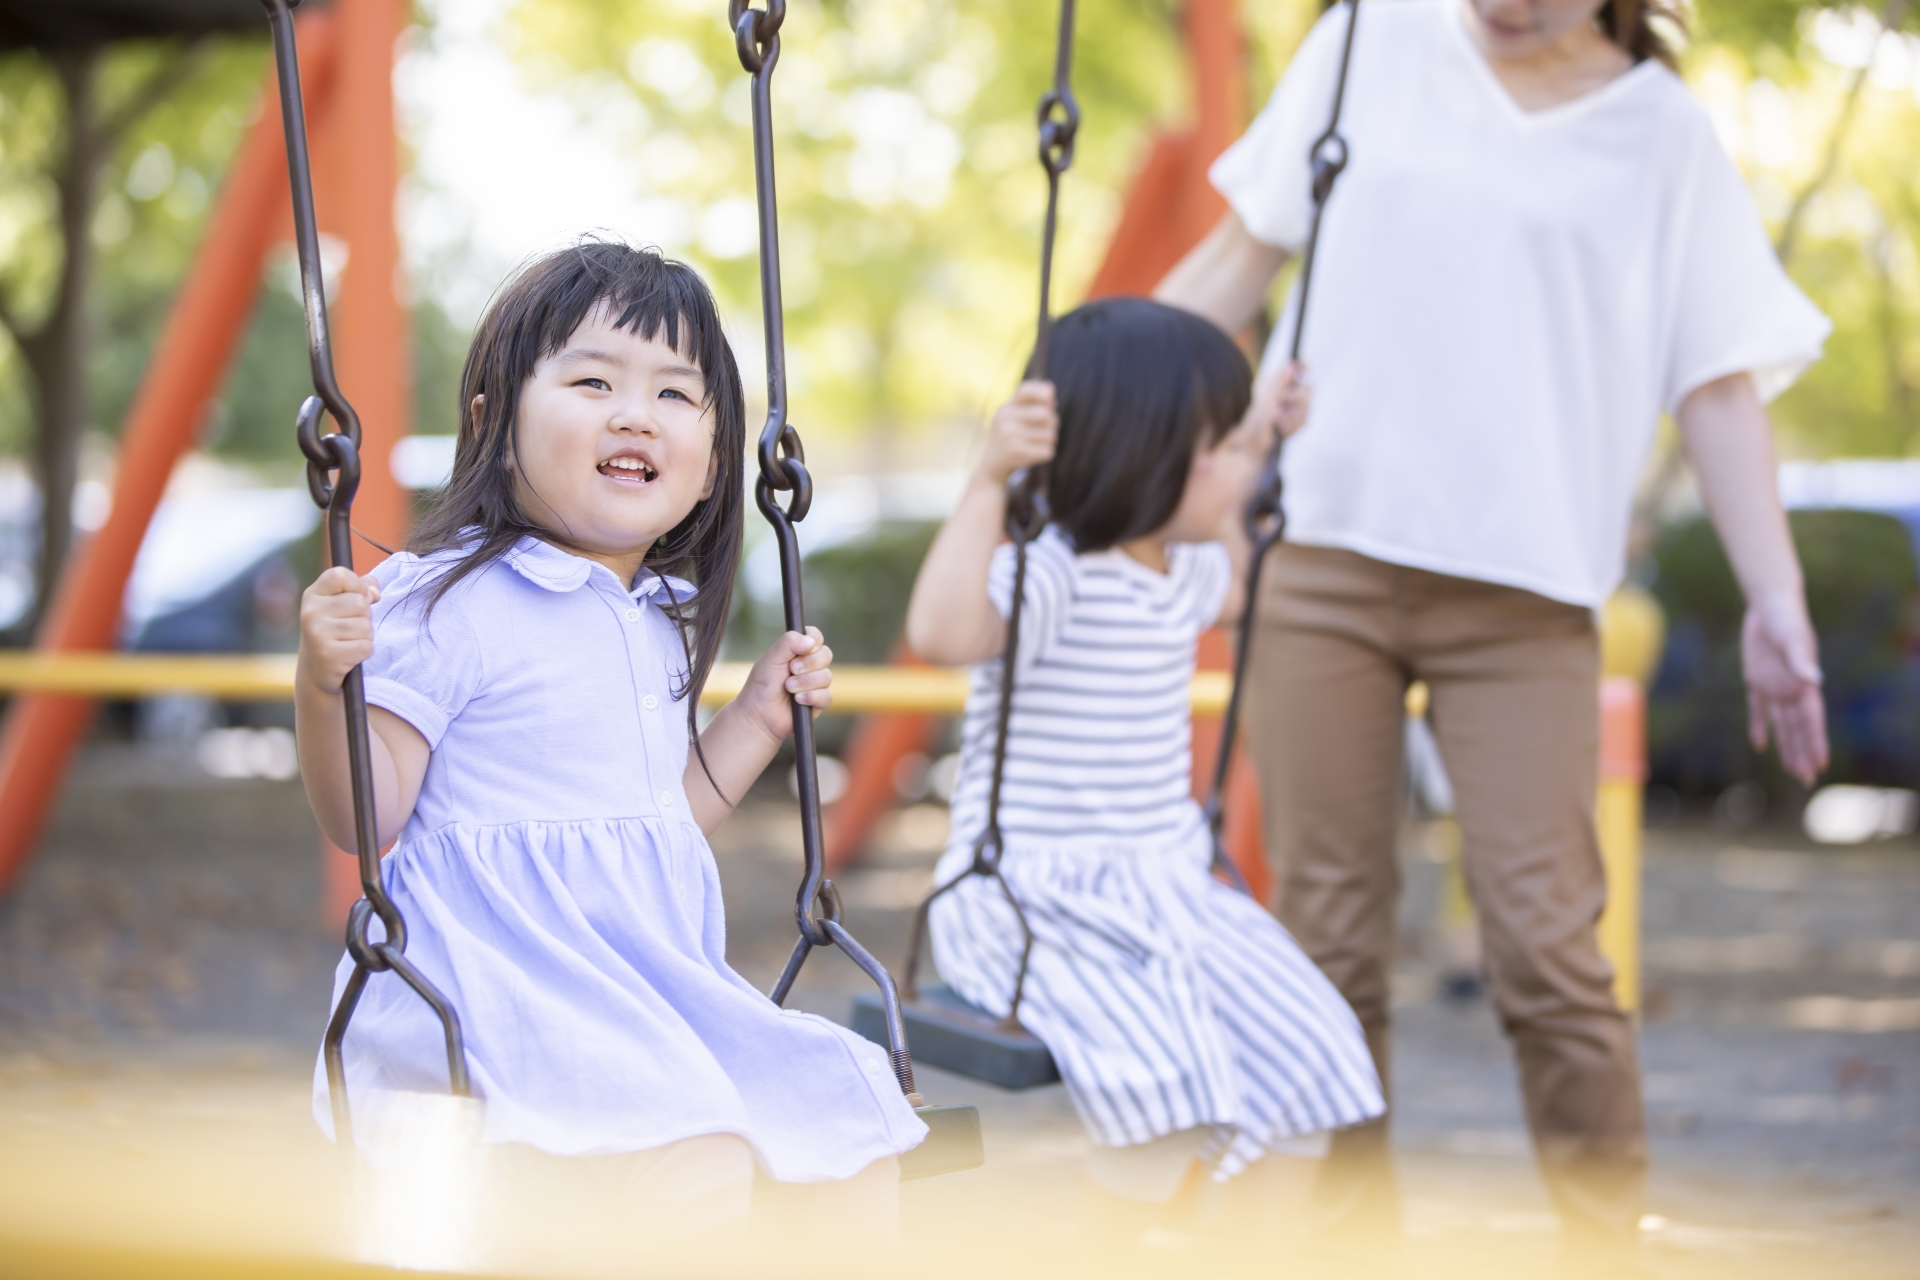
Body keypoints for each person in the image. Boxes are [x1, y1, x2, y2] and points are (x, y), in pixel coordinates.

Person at [1154, 0, 1832, 1268]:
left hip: (1526, 594)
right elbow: (1238, 260)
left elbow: (1718, 381)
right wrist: (1086, 396)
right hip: (1323, 558)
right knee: (1327, 945)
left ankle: (1605, 1249)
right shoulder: (1369, 40)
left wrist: (1776, 598)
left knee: (1548, 952)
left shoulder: (1661, 133)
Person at [295, 241, 925, 1228]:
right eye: (593, 382)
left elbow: (659, 816)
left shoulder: (657, 617)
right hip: (497, 992)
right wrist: (320, 683)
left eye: (674, 394)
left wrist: (757, 718)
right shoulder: (446, 600)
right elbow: (364, 816)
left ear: (713, 467)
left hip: (644, 990)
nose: (635, 413)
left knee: (855, 1122)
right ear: (494, 426)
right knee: (698, 1156)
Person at [904, 297, 1385, 1239]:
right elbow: (943, 632)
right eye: (1222, 447)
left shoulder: (1186, 568)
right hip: (1035, 901)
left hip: (1167, 889)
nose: (1240, 471)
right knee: (1168, 1096)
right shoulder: (1055, 573)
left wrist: (1258, 436)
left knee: (1316, 1055)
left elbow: (1239, 583)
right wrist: (990, 479)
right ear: (1144, 452)